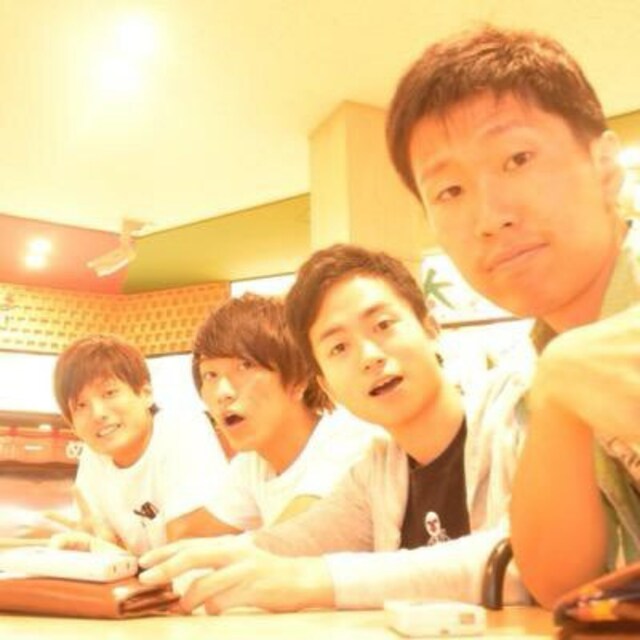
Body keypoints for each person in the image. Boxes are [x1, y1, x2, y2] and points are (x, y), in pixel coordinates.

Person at [384, 24, 640, 606]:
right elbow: (562, 585)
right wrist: (560, 391)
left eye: (518, 159)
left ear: (605, 166)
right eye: (450, 192)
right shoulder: (540, 375)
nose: (489, 217)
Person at [138, 244, 529, 613]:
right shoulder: (378, 472)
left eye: (383, 325)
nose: (369, 357)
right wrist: (170, 571)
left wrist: (313, 580)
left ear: (430, 328)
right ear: (324, 383)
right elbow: (295, 542)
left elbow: (527, 560)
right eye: (338, 348)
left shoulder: (520, 414)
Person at [187, 293, 377, 534]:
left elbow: (288, 539)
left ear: (298, 380)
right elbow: (197, 538)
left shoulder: (347, 439)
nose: (222, 393)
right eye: (210, 375)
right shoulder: (253, 464)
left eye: (245, 366)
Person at [51, 334, 228, 555]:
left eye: (109, 393)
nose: (98, 413)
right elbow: (102, 540)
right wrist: (101, 545)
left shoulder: (183, 428)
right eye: (80, 405)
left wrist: (113, 551)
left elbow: (191, 545)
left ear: (146, 394)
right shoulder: (94, 454)